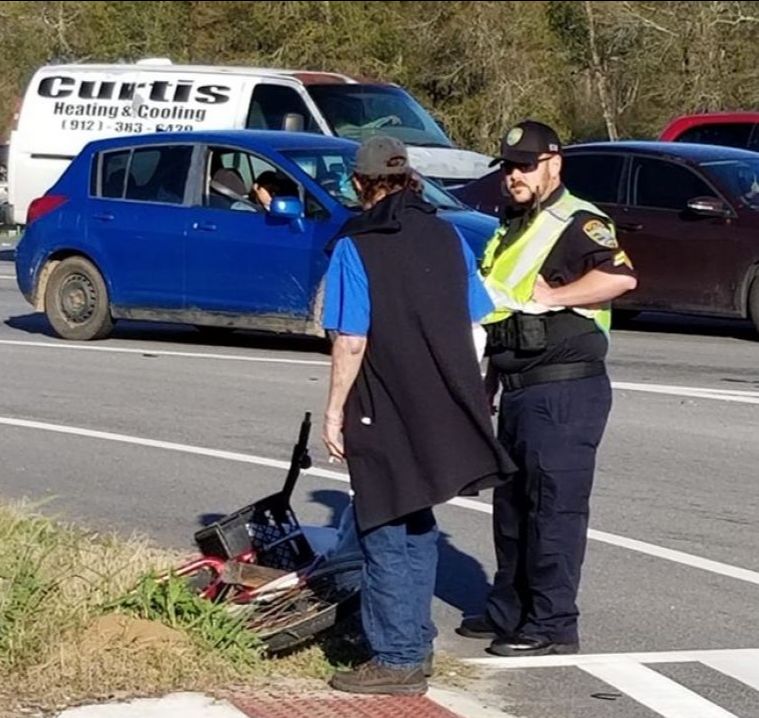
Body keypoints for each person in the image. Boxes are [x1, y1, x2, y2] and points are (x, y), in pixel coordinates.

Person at [321, 135, 516, 695]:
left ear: (361, 184)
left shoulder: (356, 244)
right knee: (416, 519)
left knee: (381, 521)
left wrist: (334, 412)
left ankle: (397, 656)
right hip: (440, 401)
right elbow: (477, 317)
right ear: (409, 178)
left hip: (383, 402)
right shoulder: (447, 233)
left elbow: (351, 339)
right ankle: (415, 643)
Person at [456, 120, 638, 658]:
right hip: (518, 384)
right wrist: (488, 379)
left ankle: (553, 623)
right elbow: (500, 309)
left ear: (554, 163)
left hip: (564, 390)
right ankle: (508, 608)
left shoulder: (578, 220)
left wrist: (556, 297)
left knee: (553, 510)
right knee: (512, 508)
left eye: (526, 165)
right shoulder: (511, 222)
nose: (514, 175)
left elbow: (620, 278)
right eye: (509, 166)